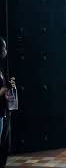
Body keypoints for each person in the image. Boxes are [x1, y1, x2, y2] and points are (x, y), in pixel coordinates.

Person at [0, 37, 16, 167]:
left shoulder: (0, 69)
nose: (5, 50)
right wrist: (5, 88)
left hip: (3, 111)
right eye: (3, 47)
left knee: (4, 144)